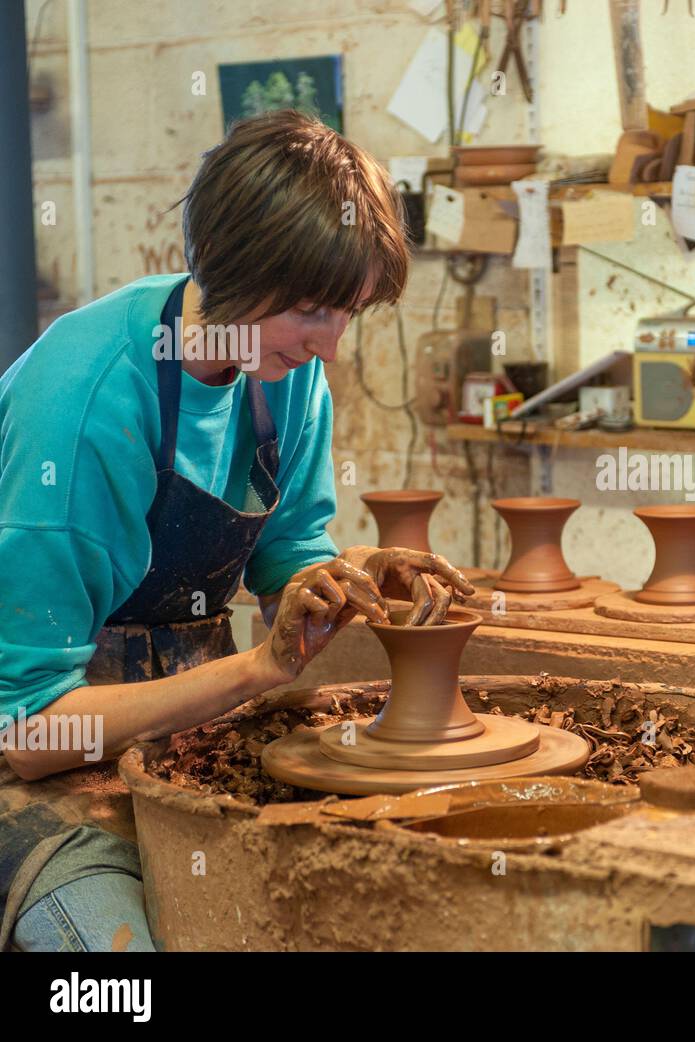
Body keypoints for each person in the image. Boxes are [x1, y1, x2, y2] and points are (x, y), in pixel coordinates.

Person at [0, 109, 470, 950]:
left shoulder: (279, 371)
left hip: (171, 752)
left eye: (349, 312)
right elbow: (32, 733)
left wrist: (342, 578)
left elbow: (290, 553)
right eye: (311, 312)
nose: (329, 346)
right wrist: (258, 668)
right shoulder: (86, 407)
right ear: (229, 270)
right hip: (32, 785)